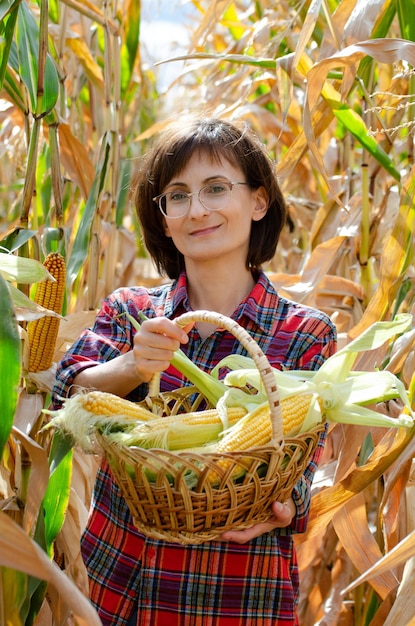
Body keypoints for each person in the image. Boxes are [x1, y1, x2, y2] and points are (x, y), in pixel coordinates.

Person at [52, 116, 337, 626]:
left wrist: (286, 508)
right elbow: (69, 388)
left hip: (239, 587)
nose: (197, 209)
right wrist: (132, 365)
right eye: (177, 196)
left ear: (258, 201)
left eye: (216, 188)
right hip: (121, 577)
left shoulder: (303, 332)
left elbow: (303, 460)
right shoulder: (132, 309)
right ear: (163, 219)